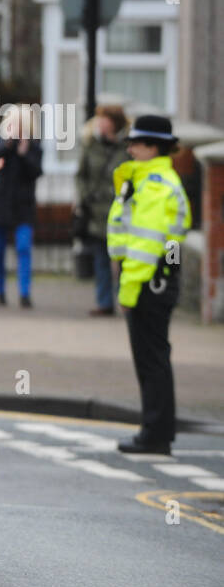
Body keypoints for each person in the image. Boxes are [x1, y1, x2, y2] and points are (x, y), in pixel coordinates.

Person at [107, 114, 191, 456]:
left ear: (154, 147)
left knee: (151, 359)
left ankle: (155, 434)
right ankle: (156, 430)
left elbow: (145, 245)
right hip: (155, 280)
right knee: (154, 357)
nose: (130, 148)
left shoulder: (154, 183)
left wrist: (127, 293)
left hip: (148, 282)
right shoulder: (148, 179)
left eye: (136, 143)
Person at [0, 106, 42, 308]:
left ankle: (24, 292)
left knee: (23, 248)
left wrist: (24, 154)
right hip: (0, 205)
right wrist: (8, 148)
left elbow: (35, 173)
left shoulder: (34, 147)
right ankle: (0, 290)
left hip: (23, 207)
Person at [75, 104, 130, 316]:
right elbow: (81, 175)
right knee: (101, 259)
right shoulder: (92, 145)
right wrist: (85, 195)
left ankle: (125, 300)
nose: (100, 124)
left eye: (104, 119)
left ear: (114, 123)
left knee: (123, 260)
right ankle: (104, 302)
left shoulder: (126, 148)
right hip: (96, 212)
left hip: (120, 211)